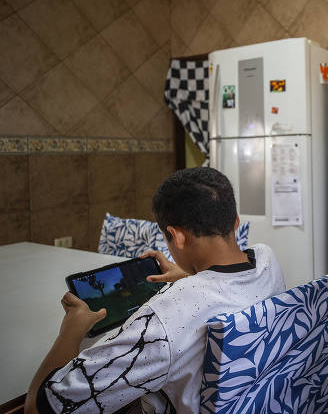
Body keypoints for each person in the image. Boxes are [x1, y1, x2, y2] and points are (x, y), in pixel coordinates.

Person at [26, 167, 285, 413]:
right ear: (236, 221)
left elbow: (42, 408)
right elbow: (229, 288)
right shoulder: (266, 259)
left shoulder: (162, 321)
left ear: (177, 236)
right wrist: (190, 275)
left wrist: (70, 332)